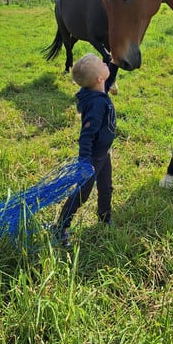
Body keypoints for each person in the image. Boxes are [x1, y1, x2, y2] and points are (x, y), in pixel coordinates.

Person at [53, 53, 119, 246]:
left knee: (106, 187)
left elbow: (109, 80)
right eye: (102, 63)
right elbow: (86, 136)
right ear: (99, 78)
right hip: (92, 159)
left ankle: (105, 218)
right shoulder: (96, 104)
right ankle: (61, 228)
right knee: (82, 194)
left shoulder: (99, 90)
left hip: (103, 154)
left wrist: (113, 64)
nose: (104, 61)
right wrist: (84, 163)